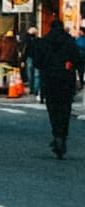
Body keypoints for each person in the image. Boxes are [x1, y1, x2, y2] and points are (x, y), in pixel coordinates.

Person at [33, 19, 82, 159]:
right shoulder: (69, 42)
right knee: (65, 109)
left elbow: (37, 62)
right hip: (66, 79)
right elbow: (78, 60)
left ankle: (57, 135)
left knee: (53, 109)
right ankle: (62, 136)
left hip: (49, 80)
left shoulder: (44, 42)